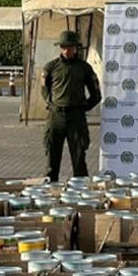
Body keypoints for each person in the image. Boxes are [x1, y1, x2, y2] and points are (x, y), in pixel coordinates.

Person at [41, 30, 101, 182]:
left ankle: (81, 193)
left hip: (76, 118)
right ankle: (51, 190)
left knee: (79, 158)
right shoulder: (51, 67)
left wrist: (83, 108)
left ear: (76, 48)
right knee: (52, 159)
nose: (67, 50)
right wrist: (51, 103)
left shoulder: (84, 68)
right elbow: (44, 89)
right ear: (60, 47)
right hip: (56, 117)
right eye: (64, 47)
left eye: (71, 47)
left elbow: (96, 94)